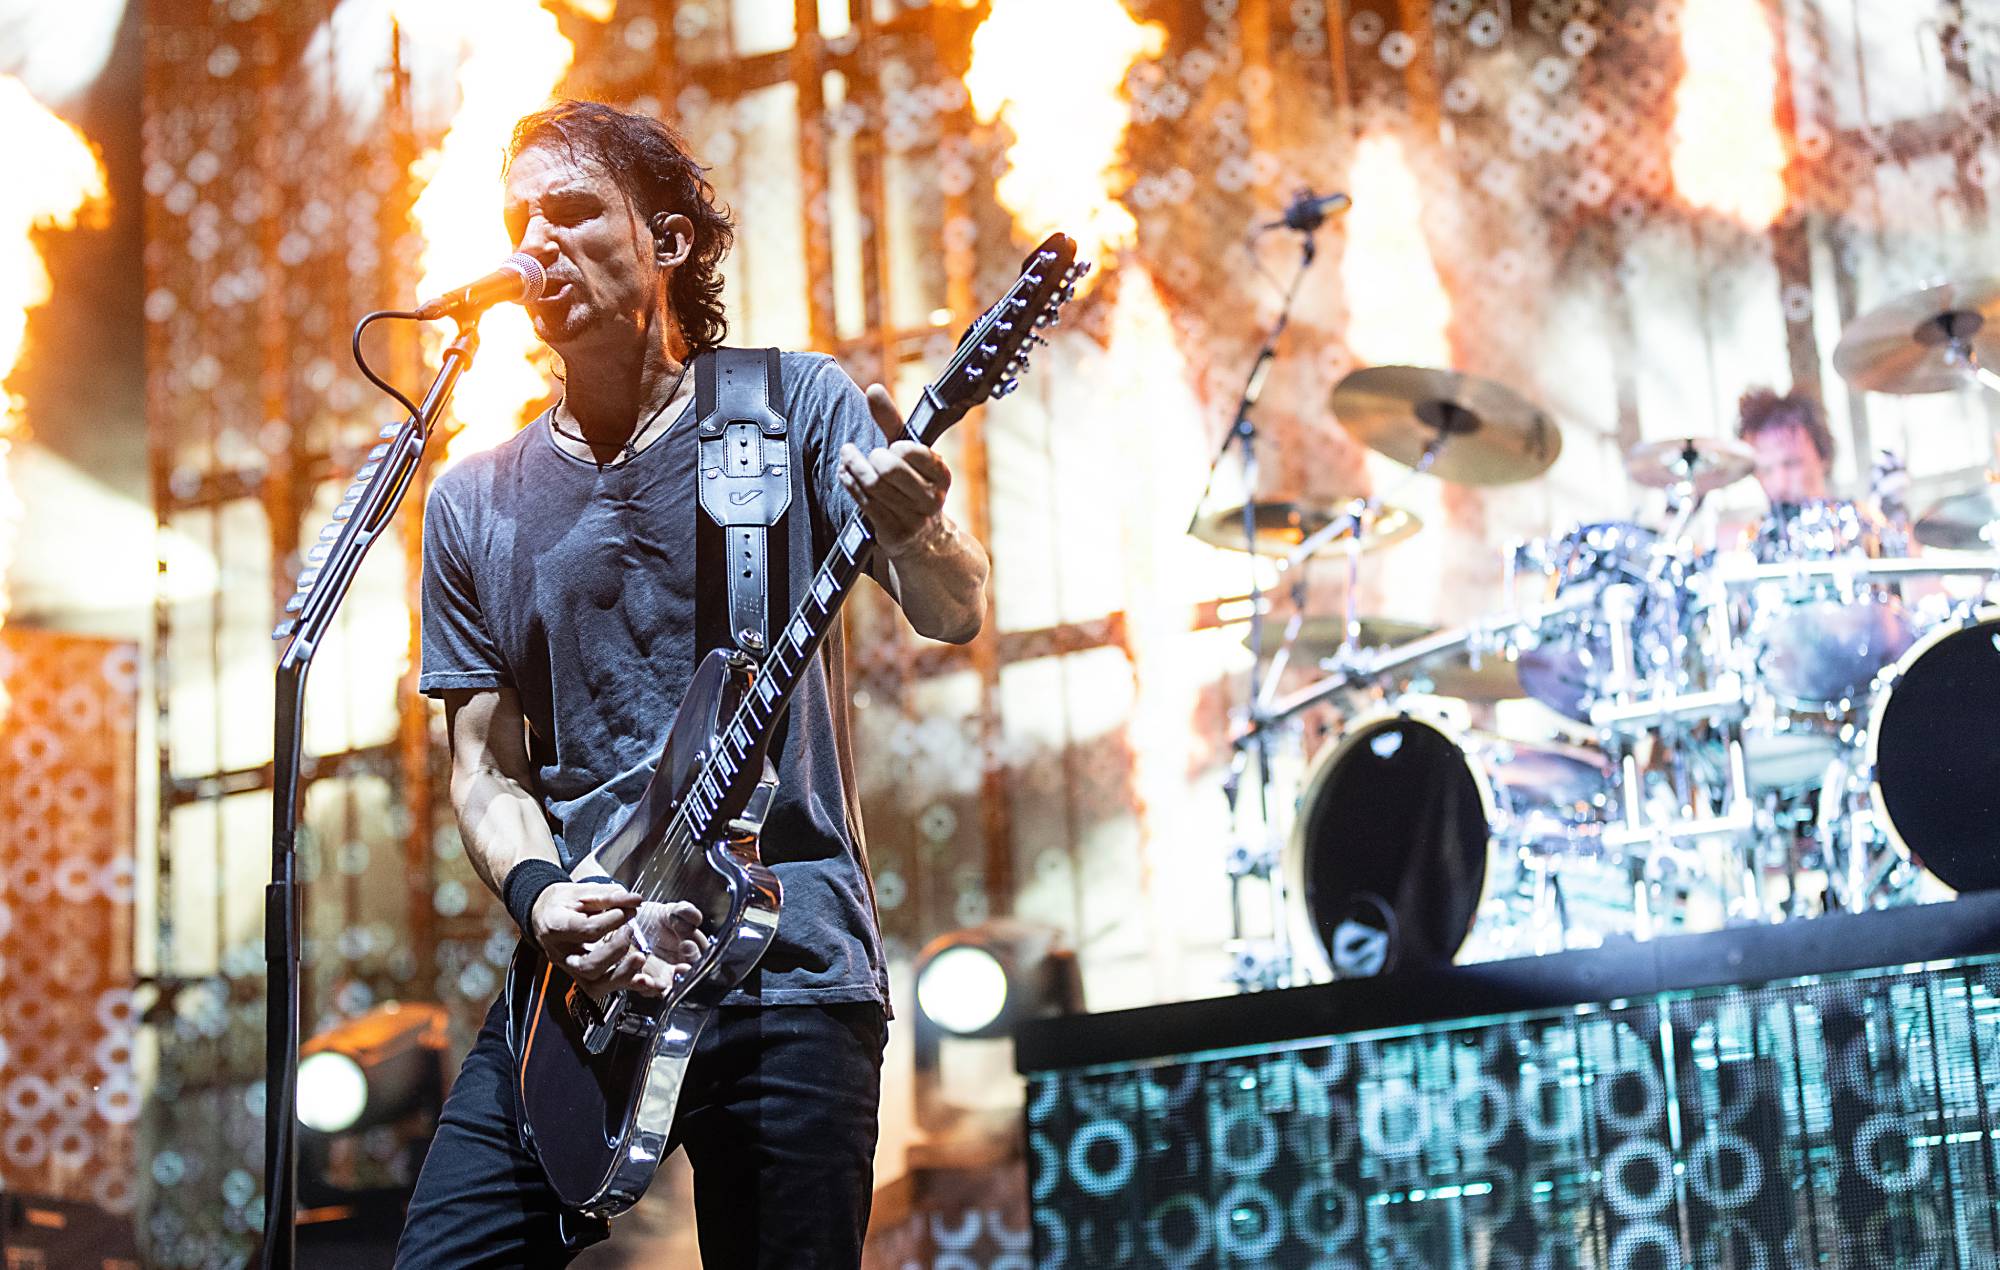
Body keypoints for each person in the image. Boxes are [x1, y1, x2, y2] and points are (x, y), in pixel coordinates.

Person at [395, 100, 989, 1267]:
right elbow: (485, 766)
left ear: (667, 242)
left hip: (787, 966)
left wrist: (920, 533)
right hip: (583, 982)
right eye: (521, 221)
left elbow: (954, 610)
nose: (536, 244)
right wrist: (539, 898)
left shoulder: (786, 409)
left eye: (571, 212)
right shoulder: (473, 499)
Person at [1736, 387, 1834, 505]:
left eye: (1792, 464)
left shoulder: (1859, 518)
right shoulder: (1754, 523)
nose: (1780, 485)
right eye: (1766, 470)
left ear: (1823, 456)